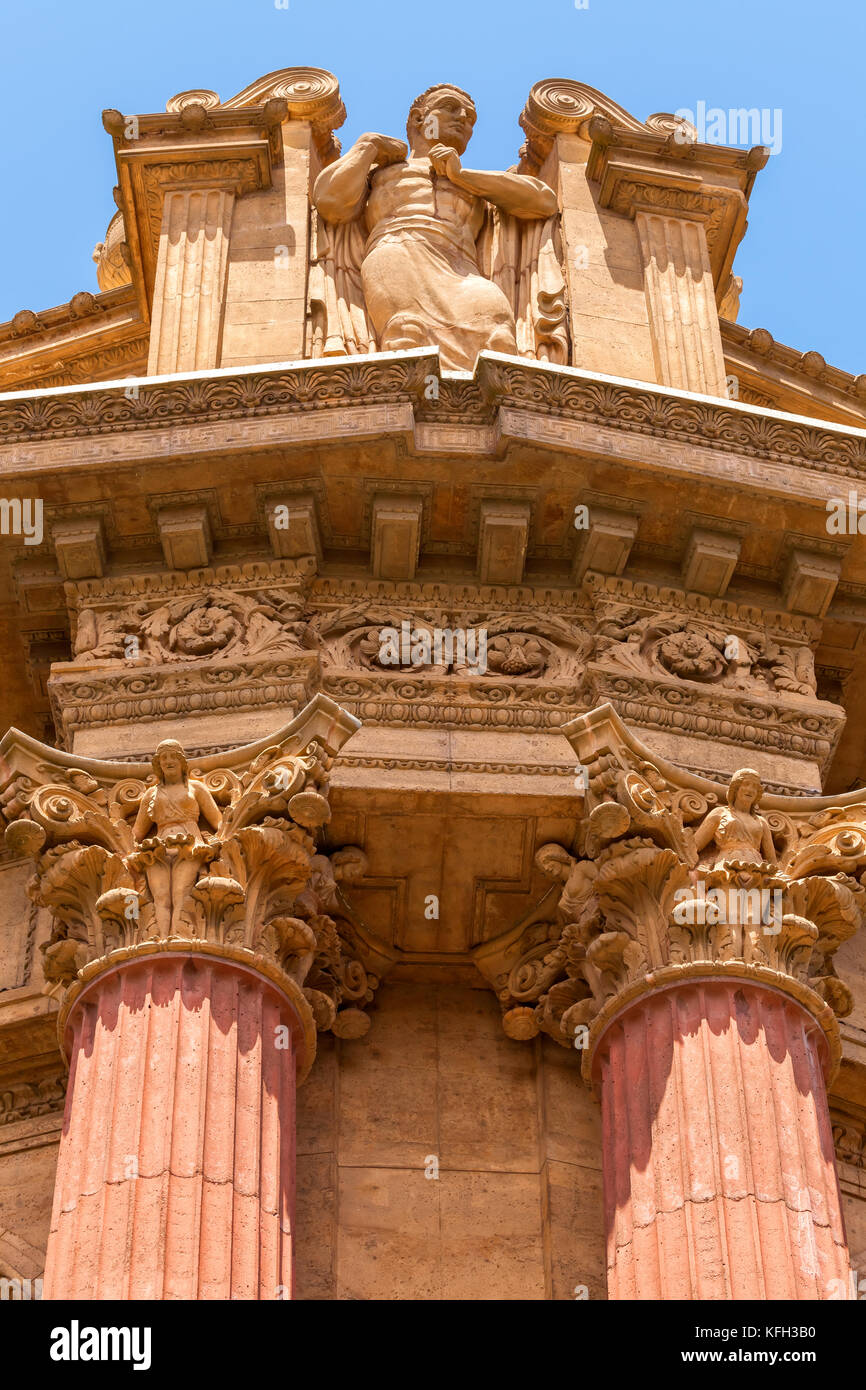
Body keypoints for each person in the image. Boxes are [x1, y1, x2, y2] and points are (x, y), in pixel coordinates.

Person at [313, 84, 557, 371]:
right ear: (419, 118)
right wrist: (369, 145)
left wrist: (461, 175)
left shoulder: (479, 184)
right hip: (399, 254)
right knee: (406, 336)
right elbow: (329, 201)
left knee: (499, 336)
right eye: (451, 107)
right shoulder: (380, 173)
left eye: (471, 117)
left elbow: (544, 201)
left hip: (464, 270)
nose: (464, 117)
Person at [132, 740, 221, 936]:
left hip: (189, 844)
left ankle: (178, 937)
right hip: (159, 846)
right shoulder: (151, 794)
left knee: (182, 892)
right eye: (163, 758)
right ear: (158, 764)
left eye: (173, 756)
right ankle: (162, 940)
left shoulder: (196, 788)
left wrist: (221, 842)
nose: (168, 761)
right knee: (161, 897)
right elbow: (137, 832)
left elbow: (218, 821)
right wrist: (126, 853)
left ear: (182, 762)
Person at [692, 768, 776, 869]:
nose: (750, 790)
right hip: (727, 866)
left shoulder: (761, 822)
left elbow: (772, 860)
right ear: (736, 788)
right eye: (746, 784)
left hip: (756, 869)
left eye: (755, 787)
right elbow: (695, 846)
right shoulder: (720, 813)